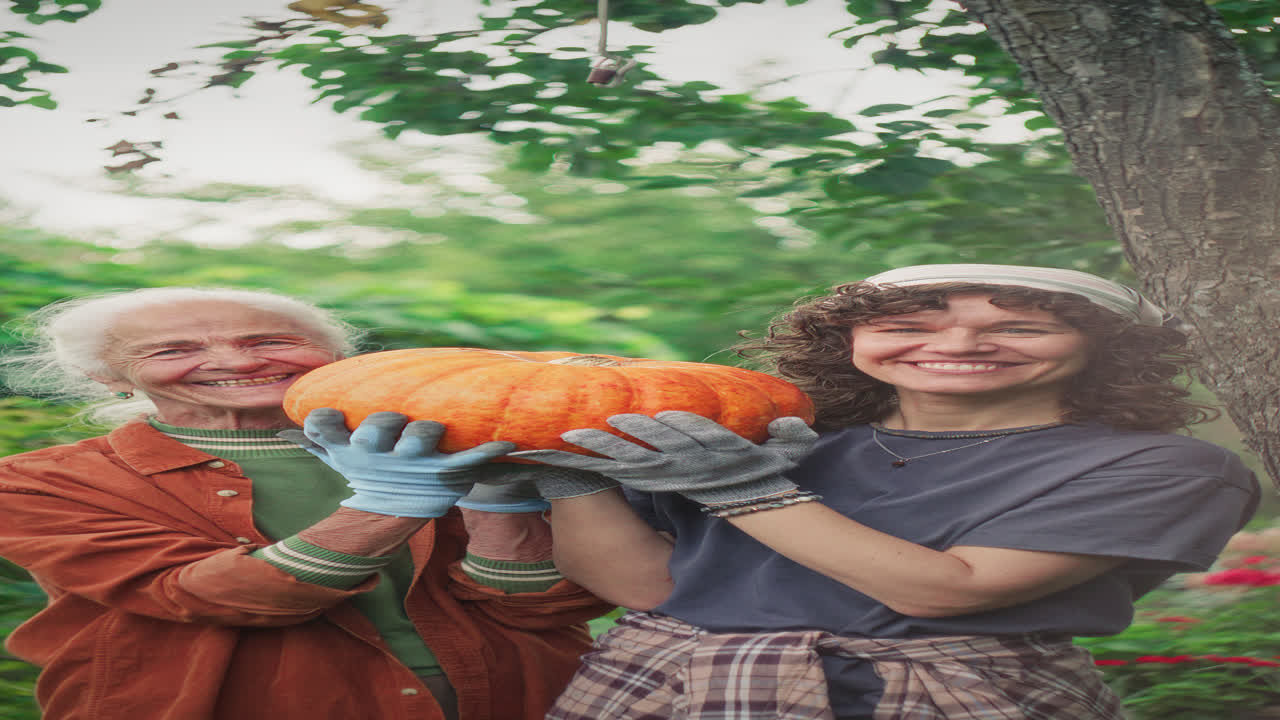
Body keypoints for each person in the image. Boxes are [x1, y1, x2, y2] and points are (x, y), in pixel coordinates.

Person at [507, 264, 1262, 720]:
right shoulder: (764, 437)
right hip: (666, 685)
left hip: (947, 695)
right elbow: (639, 583)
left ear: (1106, 350)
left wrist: (746, 495)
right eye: (906, 324)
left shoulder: (1165, 468)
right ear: (849, 344)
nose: (958, 345)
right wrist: (566, 476)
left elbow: (949, 591)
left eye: (1024, 328)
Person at [0, 287, 611, 720]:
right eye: (171, 350)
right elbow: (200, 595)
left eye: (272, 340)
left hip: (513, 698)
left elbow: (553, 608)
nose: (238, 361)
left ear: (336, 358)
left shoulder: (462, 441)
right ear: (108, 376)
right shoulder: (41, 482)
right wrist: (390, 504)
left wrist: (500, 504)